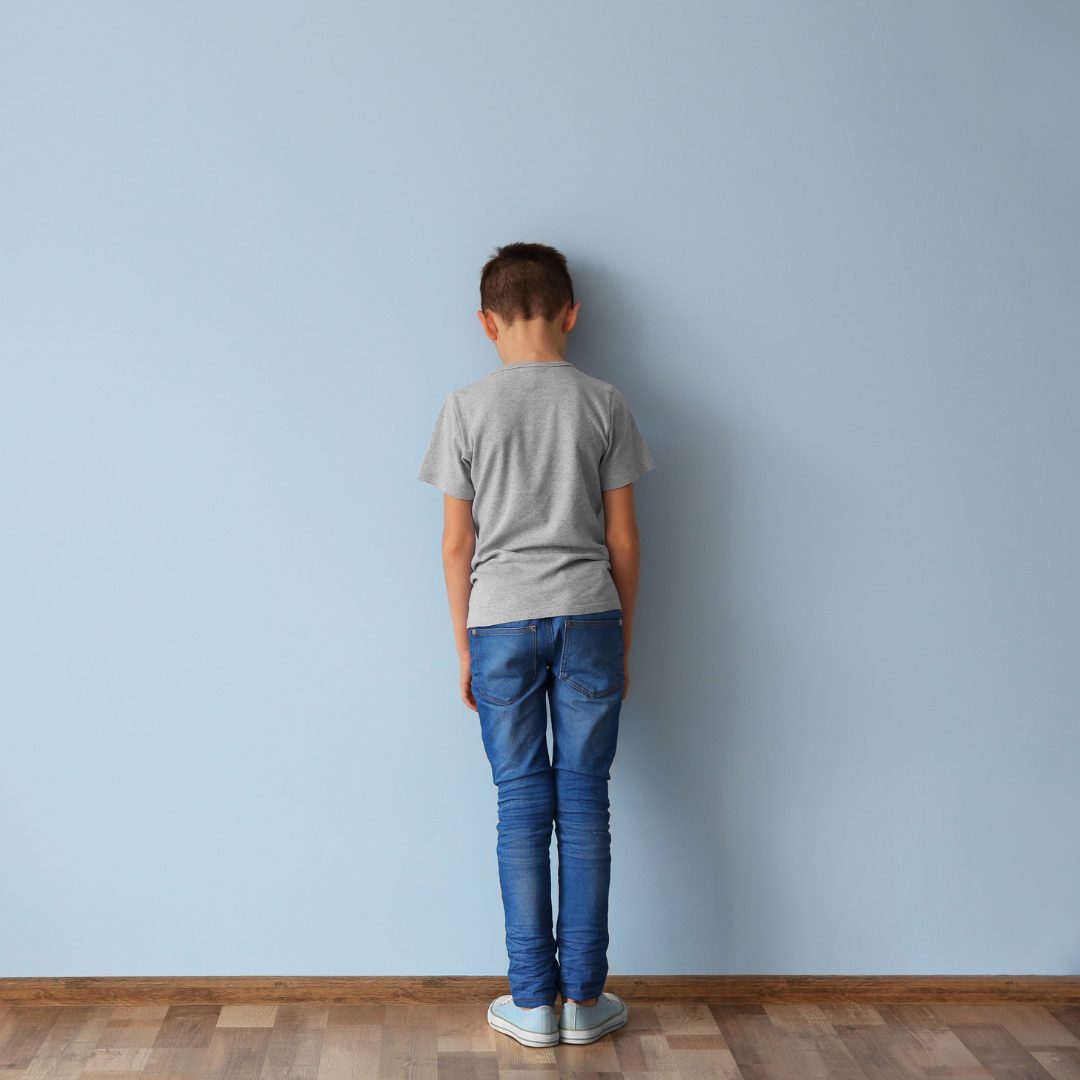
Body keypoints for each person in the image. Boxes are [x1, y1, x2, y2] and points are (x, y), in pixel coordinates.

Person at [417, 242, 656, 1048]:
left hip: (499, 622)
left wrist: (464, 650)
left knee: (521, 806)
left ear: (486, 323)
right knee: (585, 804)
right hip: (590, 613)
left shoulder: (463, 407)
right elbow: (624, 539)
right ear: (571, 315)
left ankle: (531, 1004)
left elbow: (456, 545)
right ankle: (585, 1001)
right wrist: (619, 638)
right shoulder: (604, 401)